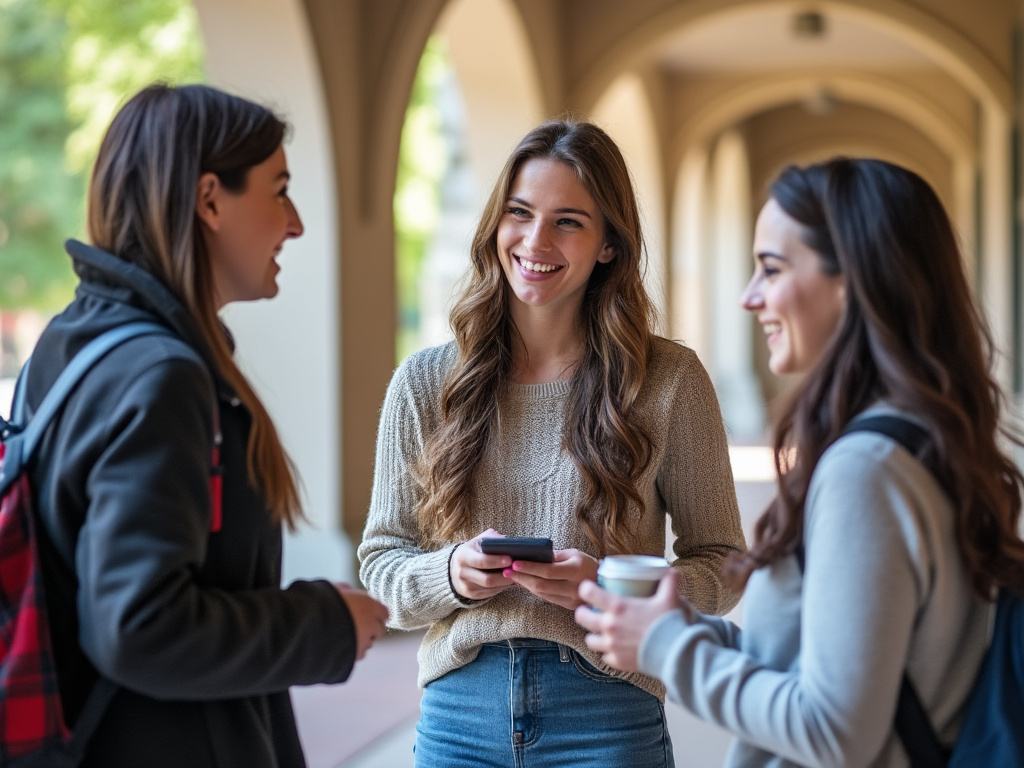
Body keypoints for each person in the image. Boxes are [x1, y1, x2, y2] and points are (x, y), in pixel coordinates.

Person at [576, 157, 1024, 767]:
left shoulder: (865, 471)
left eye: (771, 268)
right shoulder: (928, 439)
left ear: (855, 280)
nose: (748, 296)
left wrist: (665, 647)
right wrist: (679, 627)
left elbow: (834, 731)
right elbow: (855, 668)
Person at [17, 83, 389, 768]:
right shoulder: (162, 377)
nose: (296, 222)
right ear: (210, 198)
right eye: (279, 189)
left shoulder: (72, 343)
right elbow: (140, 628)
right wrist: (325, 624)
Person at [358, 118, 746, 767]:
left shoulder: (670, 381)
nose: (536, 240)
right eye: (520, 213)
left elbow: (725, 563)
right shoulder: (425, 382)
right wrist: (450, 573)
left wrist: (611, 589)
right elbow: (381, 565)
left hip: (609, 710)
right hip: (460, 712)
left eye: (568, 220)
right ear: (496, 224)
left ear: (608, 246)